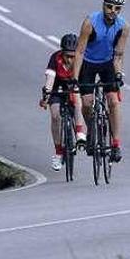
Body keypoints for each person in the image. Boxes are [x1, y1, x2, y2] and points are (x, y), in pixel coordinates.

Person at [72, 0, 130, 163]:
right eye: (109, 7)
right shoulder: (90, 22)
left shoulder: (124, 27)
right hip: (88, 63)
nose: (113, 11)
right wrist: (75, 78)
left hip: (107, 63)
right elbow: (80, 51)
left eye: (117, 8)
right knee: (88, 103)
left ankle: (115, 144)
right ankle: (91, 131)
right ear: (103, 5)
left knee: (113, 101)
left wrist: (118, 74)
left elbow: (118, 54)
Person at [40, 33, 86, 172]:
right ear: (62, 52)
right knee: (55, 116)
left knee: (77, 98)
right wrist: (46, 97)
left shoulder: (80, 60)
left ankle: (79, 133)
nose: (70, 60)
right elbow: (50, 79)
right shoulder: (55, 58)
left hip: (73, 86)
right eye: (67, 56)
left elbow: (83, 80)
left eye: (73, 56)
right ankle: (59, 152)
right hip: (57, 88)